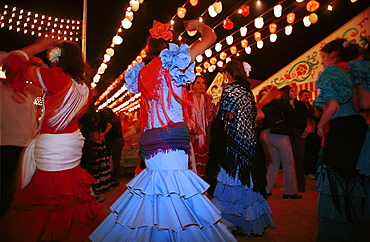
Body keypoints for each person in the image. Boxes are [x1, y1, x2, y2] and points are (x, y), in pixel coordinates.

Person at [90, 20, 236, 241]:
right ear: (172, 43)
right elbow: (211, 38)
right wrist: (198, 24)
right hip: (171, 137)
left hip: (150, 140)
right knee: (174, 195)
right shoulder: (175, 62)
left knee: (156, 194)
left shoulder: (142, 70)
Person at [1, 37, 105, 241]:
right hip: (73, 142)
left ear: (58, 59)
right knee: (68, 190)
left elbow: (14, 62)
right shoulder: (84, 88)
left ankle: (47, 233)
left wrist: (35, 50)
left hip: (54, 142)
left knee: (47, 194)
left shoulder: (56, 77)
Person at [210, 60, 274, 237]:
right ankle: (248, 222)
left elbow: (228, 116)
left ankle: (230, 222)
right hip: (249, 141)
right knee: (247, 182)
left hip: (234, 141)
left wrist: (219, 117)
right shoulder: (247, 90)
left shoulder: (230, 89)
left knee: (231, 180)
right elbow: (253, 114)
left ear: (228, 74)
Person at [314, 38, 369, 241]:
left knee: (336, 178)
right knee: (355, 179)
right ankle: (356, 231)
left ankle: (335, 234)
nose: (322, 61)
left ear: (333, 54)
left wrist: (320, 125)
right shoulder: (358, 69)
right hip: (358, 128)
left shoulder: (332, 72)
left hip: (341, 130)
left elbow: (333, 106)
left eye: (323, 56)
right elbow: (362, 105)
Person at [0, 55, 42, 217]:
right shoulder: (2, 89)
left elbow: (46, 86)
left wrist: (39, 65)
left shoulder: (29, 92)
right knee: (5, 187)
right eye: (14, 71)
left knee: (22, 187)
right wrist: (27, 53)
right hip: (6, 146)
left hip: (27, 146)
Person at [260, 85, 302, 199]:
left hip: (267, 134)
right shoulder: (277, 103)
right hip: (279, 134)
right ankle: (289, 191)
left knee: (274, 163)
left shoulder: (265, 104)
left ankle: (267, 188)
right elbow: (293, 114)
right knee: (288, 163)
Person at [79, 103, 115, 203]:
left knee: (92, 168)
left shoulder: (88, 118)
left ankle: (94, 191)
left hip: (92, 144)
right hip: (95, 144)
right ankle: (97, 191)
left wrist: (100, 135)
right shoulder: (94, 117)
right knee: (97, 167)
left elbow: (104, 127)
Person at [281, 84, 311, 192]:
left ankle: (300, 185)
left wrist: (308, 127)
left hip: (300, 132)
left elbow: (308, 116)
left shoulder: (300, 104)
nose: (294, 92)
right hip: (287, 133)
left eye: (295, 90)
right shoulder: (283, 105)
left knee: (299, 157)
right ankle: (290, 186)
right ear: (287, 92)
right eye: (292, 90)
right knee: (289, 159)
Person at [187, 75, 214, 177]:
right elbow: (185, 115)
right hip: (189, 134)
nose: (201, 85)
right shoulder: (187, 97)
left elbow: (209, 118)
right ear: (192, 85)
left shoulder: (207, 99)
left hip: (202, 134)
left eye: (203, 83)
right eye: (198, 83)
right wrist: (193, 127)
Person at [298, 89, 321, 179]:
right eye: (305, 96)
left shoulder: (310, 106)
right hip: (305, 131)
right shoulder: (300, 105)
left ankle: (311, 171)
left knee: (312, 152)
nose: (307, 97)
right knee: (306, 153)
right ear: (300, 97)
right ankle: (306, 171)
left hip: (312, 132)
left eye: (308, 96)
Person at [99, 108, 125, 187]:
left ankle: (115, 178)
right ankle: (115, 177)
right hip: (117, 140)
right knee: (115, 159)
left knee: (115, 159)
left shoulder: (113, 121)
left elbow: (113, 132)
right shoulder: (115, 120)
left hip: (115, 141)